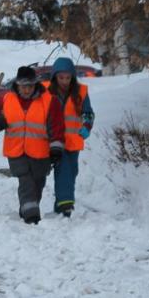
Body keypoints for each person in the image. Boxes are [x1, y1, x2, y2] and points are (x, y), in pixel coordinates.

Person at [0, 66, 65, 224]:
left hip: (40, 152)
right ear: (18, 85)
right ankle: (32, 217)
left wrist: (56, 148)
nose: (27, 90)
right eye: (24, 86)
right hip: (16, 151)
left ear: (35, 84)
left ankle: (27, 208)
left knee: (37, 184)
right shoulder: (9, 99)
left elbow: (56, 126)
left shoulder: (50, 100)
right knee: (26, 182)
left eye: (30, 86)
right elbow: (1, 119)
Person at [45, 57, 95, 218]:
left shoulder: (80, 92)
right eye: (61, 78)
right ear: (55, 77)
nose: (64, 81)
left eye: (68, 78)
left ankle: (61, 202)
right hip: (54, 139)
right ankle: (65, 206)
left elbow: (88, 113)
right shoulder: (46, 92)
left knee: (71, 172)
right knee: (63, 170)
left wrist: (86, 126)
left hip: (73, 140)